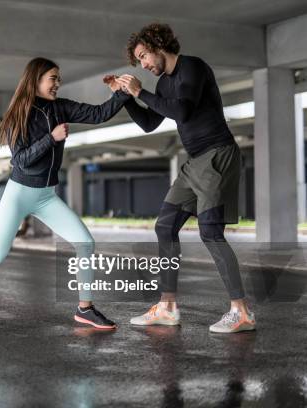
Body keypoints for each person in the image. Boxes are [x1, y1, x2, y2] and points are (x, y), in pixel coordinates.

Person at [0, 57, 131, 333]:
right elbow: (21, 161)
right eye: (53, 78)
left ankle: (85, 309)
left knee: (85, 243)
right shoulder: (20, 113)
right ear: (36, 80)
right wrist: (51, 138)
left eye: (58, 78)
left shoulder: (61, 107)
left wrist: (122, 92)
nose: (58, 83)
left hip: (46, 196)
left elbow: (99, 114)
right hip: (19, 194)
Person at [111, 23, 255, 333]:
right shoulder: (162, 85)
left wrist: (140, 91)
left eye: (144, 56)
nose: (145, 65)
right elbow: (150, 122)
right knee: (165, 226)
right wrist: (127, 98)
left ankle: (241, 312)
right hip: (194, 164)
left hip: (217, 155)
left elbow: (183, 111)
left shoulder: (192, 67)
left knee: (211, 234)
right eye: (140, 62)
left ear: (157, 45)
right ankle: (167, 306)